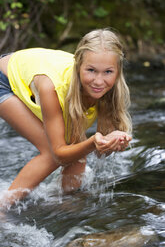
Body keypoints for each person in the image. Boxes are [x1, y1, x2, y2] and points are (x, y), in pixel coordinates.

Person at [0, 28, 132, 206]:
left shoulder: (112, 90)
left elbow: (101, 153)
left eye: (108, 72)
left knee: (78, 151)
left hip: (28, 67)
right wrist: (93, 142)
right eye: (91, 70)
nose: (99, 81)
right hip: (4, 80)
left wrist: (113, 142)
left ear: (117, 72)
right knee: (50, 153)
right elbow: (59, 155)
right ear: (78, 67)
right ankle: (3, 207)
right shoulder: (52, 87)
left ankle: (66, 205)